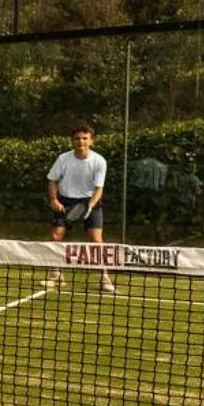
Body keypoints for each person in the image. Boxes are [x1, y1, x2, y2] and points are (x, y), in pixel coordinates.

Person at [45, 123, 116, 294]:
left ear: (91, 141)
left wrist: (90, 206)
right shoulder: (63, 159)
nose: (81, 141)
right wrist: (54, 200)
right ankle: (56, 275)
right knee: (56, 236)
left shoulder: (99, 161)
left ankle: (104, 278)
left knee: (97, 240)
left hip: (90, 201)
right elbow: (52, 181)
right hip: (65, 201)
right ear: (72, 141)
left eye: (85, 138)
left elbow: (99, 188)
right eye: (77, 138)